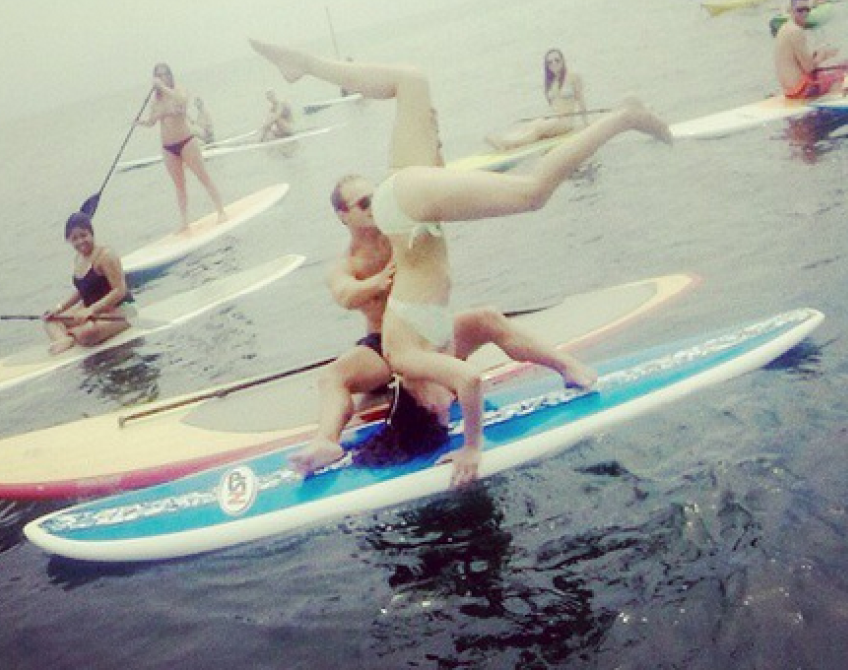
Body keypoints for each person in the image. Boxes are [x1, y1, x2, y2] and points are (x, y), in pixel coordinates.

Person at [250, 40, 671, 486]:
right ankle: (306, 64)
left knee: (532, 193)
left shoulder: (407, 359)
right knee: (411, 81)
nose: (445, 399)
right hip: (404, 205)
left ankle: (623, 117)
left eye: (439, 406)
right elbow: (464, 360)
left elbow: (469, 381)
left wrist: (471, 447)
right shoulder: (430, 349)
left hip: (407, 208)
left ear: (424, 402)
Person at [288, 173, 597, 476]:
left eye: (378, 196)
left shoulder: (403, 233)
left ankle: (569, 367)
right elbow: (345, 294)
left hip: (430, 338)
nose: (374, 205)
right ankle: (326, 442)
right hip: (386, 348)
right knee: (332, 376)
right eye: (364, 202)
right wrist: (377, 283)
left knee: (486, 318)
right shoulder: (347, 264)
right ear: (343, 215)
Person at [137, 63, 227, 229]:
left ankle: (221, 211)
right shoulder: (155, 100)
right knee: (179, 185)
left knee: (203, 177)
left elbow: (182, 101)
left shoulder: (178, 91)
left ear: (170, 76)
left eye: (164, 74)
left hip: (186, 141)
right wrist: (139, 122)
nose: (162, 77)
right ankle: (185, 222)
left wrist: (163, 87)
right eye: (158, 75)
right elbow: (152, 122)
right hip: (168, 147)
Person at [42, 212, 134, 355]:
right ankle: (66, 339)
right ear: (69, 240)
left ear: (91, 233)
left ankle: (70, 336)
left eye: (84, 235)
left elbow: (120, 290)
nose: (80, 242)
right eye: (74, 238)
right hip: (90, 309)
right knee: (50, 320)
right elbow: (82, 290)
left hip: (119, 310)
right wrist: (59, 309)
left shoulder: (106, 256)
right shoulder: (78, 258)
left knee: (88, 333)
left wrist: (91, 310)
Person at [773, 0, 848, 99]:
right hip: (800, 90)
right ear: (791, 11)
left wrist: (819, 54)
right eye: (800, 10)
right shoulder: (796, 31)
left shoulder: (784, 28)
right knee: (841, 69)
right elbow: (809, 68)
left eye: (807, 10)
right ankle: (836, 100)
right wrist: (823, 55)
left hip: (789, 90)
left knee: (843, 64)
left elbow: (798, 61)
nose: (804, 13)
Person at [485, 48, 590, 151]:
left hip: (567, 122)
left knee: (538, 128)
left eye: (557, 60)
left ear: (563, 61)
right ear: (547, 66)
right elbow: (554, 106)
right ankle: (504, 139)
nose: (554, 63)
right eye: (550, 62)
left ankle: (509, 144)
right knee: (533, 124)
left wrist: (586, 125)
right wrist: (549, 121)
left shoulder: (573, 77)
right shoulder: (550, 83)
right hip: (554, 119)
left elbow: (581, 101)